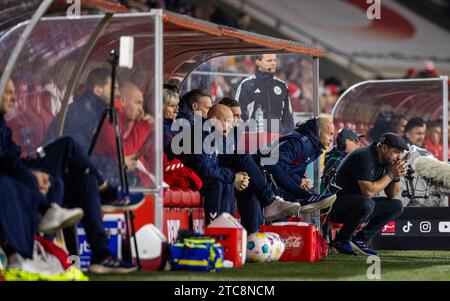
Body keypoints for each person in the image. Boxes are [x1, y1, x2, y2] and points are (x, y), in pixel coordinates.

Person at [329, 133, 407, 255]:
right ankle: (341, 240)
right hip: (336, 206)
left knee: (396, 205)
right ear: (385, 148)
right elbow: (368, 191)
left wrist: (396, 177)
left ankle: (360, 240)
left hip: (358, 205)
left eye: (401, 153)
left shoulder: (386, 160)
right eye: (397, 152)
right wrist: (391, 175)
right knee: (367, 203)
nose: (399, 157)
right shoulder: (364, 155)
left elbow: (392, 195)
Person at [262, 116, 337, 214]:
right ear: (319, 131)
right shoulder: (301, 142)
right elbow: (274, 162)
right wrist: (298, 180)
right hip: (263, 180)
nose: (332, 139)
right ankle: (306, 197)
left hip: (275, 185)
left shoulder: (313, 147)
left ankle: (307, 197)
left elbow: (293, 168)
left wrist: (301, 179)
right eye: (330, 134)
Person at [235, 53, 294, 134]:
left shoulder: (282, 86)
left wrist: (289, 139)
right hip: (254, 139)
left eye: (274, 60)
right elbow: (237, 115)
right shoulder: (246, 85)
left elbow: (288, 117)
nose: (273, 63)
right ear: (258, 62)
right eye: (269, 61)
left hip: (277, 139)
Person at [321, 128, 363, 193]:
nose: (358, 144)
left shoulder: (342, 158)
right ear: (347, 141)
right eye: (356, 141)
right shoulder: (337, 161)